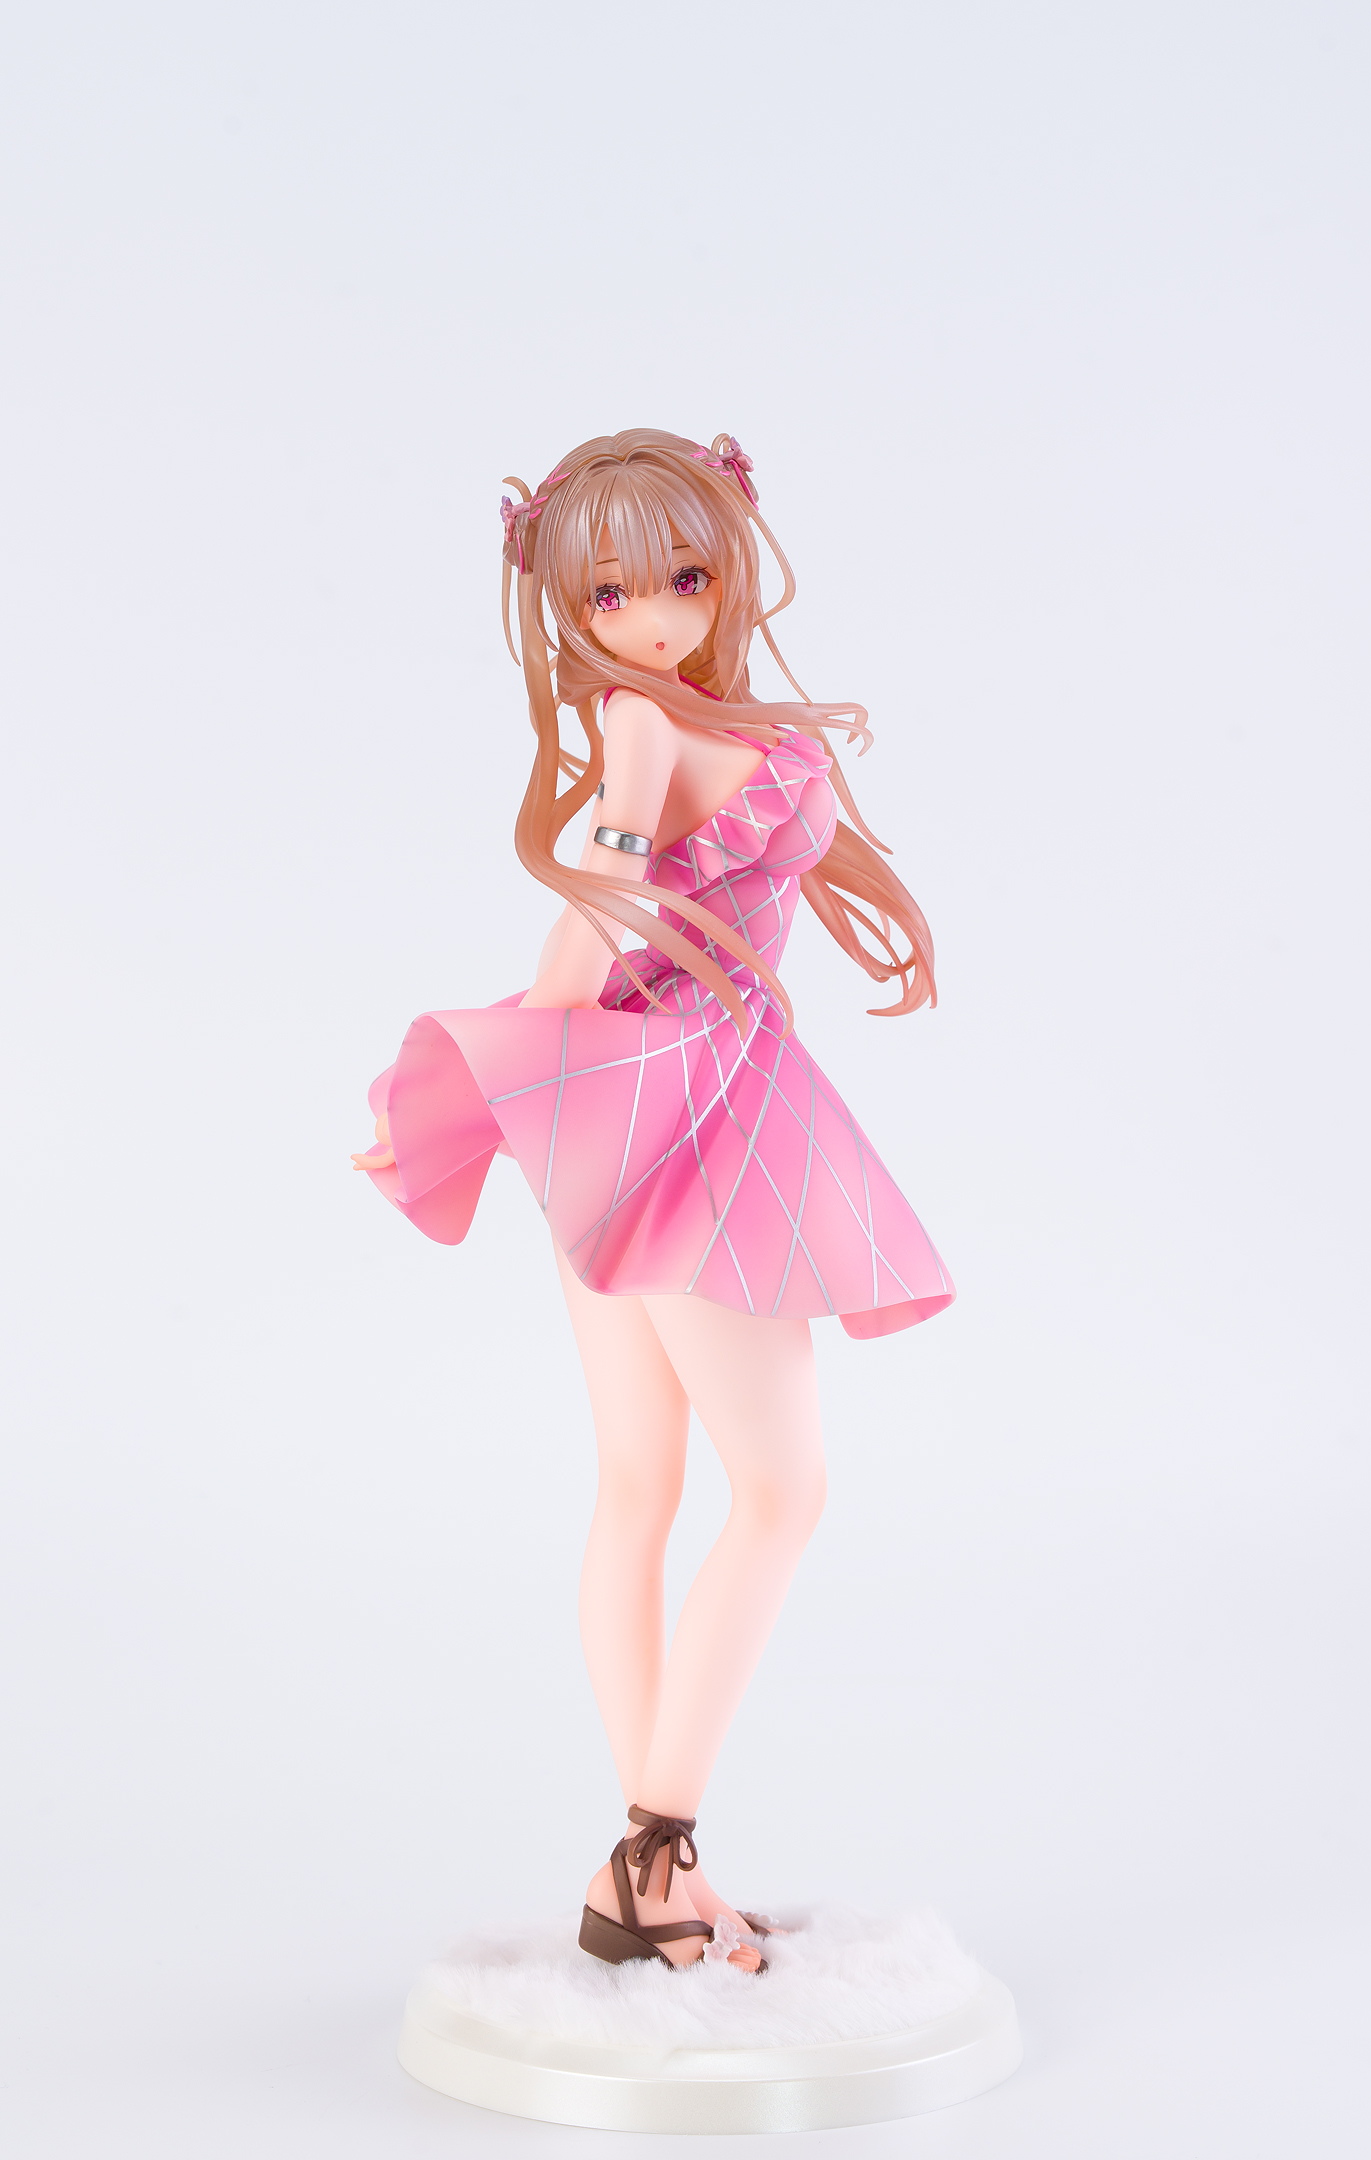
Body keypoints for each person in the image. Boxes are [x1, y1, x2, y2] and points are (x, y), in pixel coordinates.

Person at [353, 429, 953, 1973]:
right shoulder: (639, 719)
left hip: (647, 1105)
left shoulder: (706, 718)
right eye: (610, 593)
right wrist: (510, 1059)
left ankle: (653, 1867)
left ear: (729, 563)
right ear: (567, 605)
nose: (653, 615)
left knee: (643, 1488)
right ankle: (652, 1859)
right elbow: (604, 895)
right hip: (684, 1110)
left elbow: (680, 890)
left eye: (682, 575)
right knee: (779, 1491)